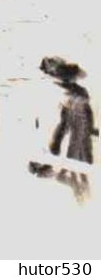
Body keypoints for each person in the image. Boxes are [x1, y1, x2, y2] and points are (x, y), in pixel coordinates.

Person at [33, 56, 94, 203]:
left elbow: (54, 133)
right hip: (81, 161)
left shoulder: (55, 98)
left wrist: (41, 161)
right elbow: (87, 127)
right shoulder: (82, 97)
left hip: (58, 164)